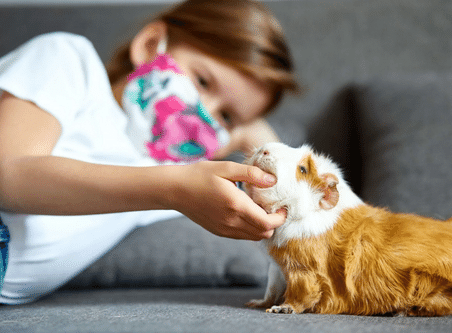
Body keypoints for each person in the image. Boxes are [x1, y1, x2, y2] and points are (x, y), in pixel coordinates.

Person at [0, 0, 298, 304]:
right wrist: (173, 188)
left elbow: (287, 200)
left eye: (227, 117)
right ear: (151, 44)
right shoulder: (69, 61)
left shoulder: (177, 175)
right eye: (203, 81)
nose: (204, 114)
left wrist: (250, 134)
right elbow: (9, 174)